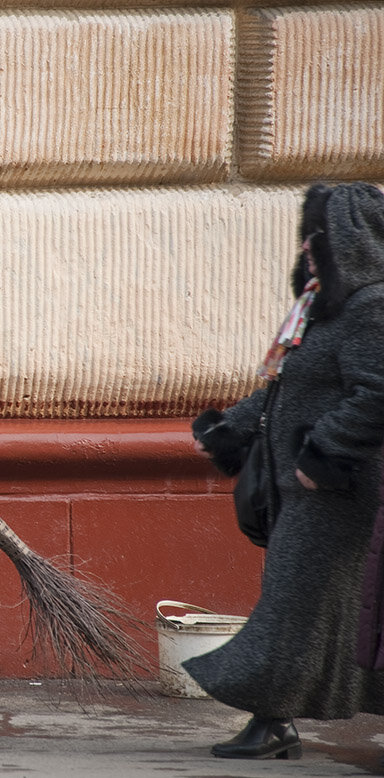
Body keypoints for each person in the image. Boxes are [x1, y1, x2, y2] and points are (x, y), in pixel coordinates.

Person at [188, 182, 384, 758]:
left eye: (315, 238)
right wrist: (229, 429)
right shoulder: (319, 309)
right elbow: (282, 391)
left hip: (336, 490)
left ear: (347, 241)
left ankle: (268, 719)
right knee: (334, 612)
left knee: (291, 606)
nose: (305, 249)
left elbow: (377, 393)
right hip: (303, 490)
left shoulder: (372, 308)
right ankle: (275, 722)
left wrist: (323, 455)